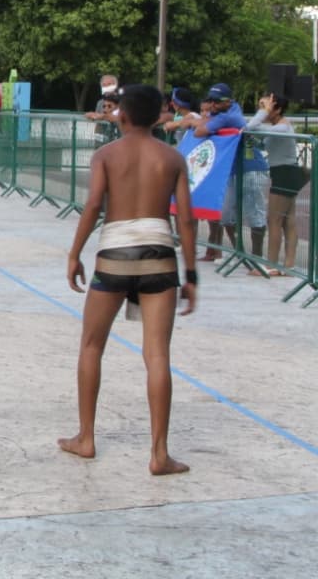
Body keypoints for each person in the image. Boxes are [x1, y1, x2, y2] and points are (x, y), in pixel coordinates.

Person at [60, 84, 197, 476]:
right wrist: (192, 275)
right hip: (159, 256)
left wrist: (74, 254)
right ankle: (159, 453)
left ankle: (85, 437)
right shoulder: (172, 158)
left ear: (121, 114)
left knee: (91, 345)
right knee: (157, 355)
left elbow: (93, 206)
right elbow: (185, 220)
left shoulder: (106, 155)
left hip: (115, 254)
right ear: (159, 116)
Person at [192, 82, 269, 258]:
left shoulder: (227, 116)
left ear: (228, 101)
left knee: (254, 213)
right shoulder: (225, 111)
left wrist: (204, 120)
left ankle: (256, 257)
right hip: (233, 169)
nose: (213, 105)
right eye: (211, 101)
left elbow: (199, 131)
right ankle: (240, 253)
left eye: (217, 101)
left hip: (251, 167)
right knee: (226, 215)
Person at [246, 93, 304, 276]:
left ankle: (272, 265)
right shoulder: (276, 127)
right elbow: (262, 141)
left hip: (286, 173)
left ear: (277, 109)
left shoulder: (283, 127)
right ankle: (288, 265)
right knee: (287, 220)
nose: (262, 110)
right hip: (285, 172)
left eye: (266, 106)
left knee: (275, 219)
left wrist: (263, 112)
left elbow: (250, 126)